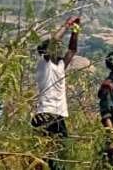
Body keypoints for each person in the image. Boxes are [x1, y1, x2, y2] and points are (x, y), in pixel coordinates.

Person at [31, 16, 81, 170]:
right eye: (56, 47)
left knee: (58, 155)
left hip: (58, 115)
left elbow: (72, 50)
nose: (59, 48)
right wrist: (67, 25)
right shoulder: (44, 64)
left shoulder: (59, 65)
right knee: (44, 156)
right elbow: (53, 42)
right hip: (45, 114)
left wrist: (75, 31)